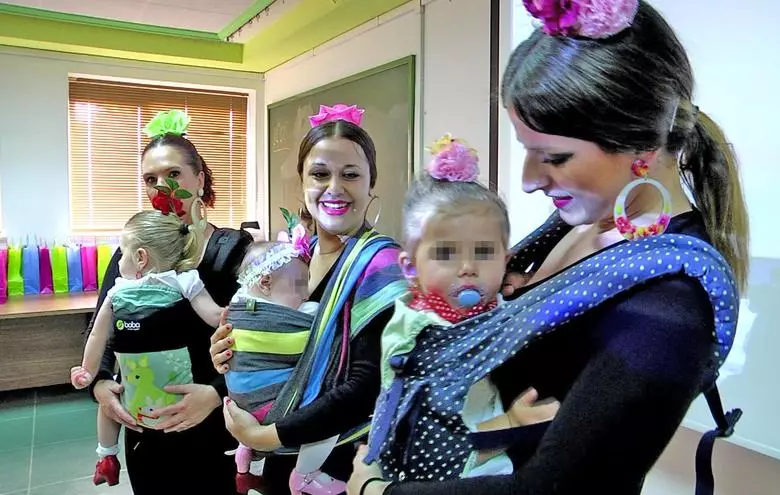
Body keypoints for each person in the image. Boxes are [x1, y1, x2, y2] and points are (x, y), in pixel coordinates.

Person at [348, 1, 749, 494]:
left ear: (642, 146)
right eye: (527, 150)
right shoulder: (579, 223)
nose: (529, 179)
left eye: (554, 157)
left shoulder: (669, 308)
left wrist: (375, 492)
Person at [212, 104, 409, 495]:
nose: (334, 187)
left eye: (350, 174)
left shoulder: (382, 266)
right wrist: (230, 353)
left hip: (339, 465)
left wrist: (264, 437)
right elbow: (281, 352)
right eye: (320, 174)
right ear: (302, 181)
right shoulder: (294, 259)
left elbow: (366, 386)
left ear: (371, 183)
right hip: (279, 458)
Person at [364, 134, 561, 481]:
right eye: (445, 253)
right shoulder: (416, 332)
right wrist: (510, 423)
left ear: (505, 260)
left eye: (484, 252)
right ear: (410, 267)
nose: (468, 267)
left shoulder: (494, 308)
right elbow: (422, 428)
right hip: (440, 471)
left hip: (495, 467)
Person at [85, 110, 252, 494]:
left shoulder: (232, 250)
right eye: (151, 179)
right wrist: (99, 384)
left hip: (213, 425)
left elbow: (256, 337)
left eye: (174, 173)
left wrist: (215, 393)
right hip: (145, 427)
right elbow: (101, 327)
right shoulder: (131, 253)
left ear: (200, 179)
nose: (162, 187)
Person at [71, 209, 224, 486]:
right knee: (111, 400)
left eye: (122, 254)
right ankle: (106, 455)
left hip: (181, 398)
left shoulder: (184, 280)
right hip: (137, 386)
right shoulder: (120, 289)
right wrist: (90, 372)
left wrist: (240, 311)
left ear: (140, 257)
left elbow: (216, 317)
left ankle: (106, 453)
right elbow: (98, 333)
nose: (119, 262)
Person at [224, 235, 346, 495]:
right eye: (300, 284)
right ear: (265, 282)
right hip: (270, 406)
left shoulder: (238, 305)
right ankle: (305, 475)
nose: (305, 293)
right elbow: (312, 341)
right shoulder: (269, 318)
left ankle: (246, 453)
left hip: (242, 405)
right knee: (329, 418)